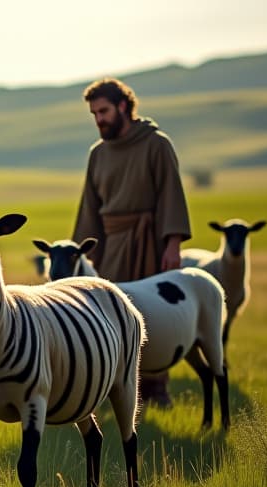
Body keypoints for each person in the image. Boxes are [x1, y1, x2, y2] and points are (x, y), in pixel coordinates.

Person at [72, 77, 191, 408]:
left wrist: (172, 244)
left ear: (123, 106)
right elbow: (89, 209)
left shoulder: (156, 144)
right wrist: (80, 255)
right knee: (106, 316)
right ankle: (112, 389)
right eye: (94, 114)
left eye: (104, 111)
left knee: (150, 316)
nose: (99, 119)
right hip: (110, 246)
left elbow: (171, 194)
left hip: (148, 242)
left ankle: (156, 389)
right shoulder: (98, 154)